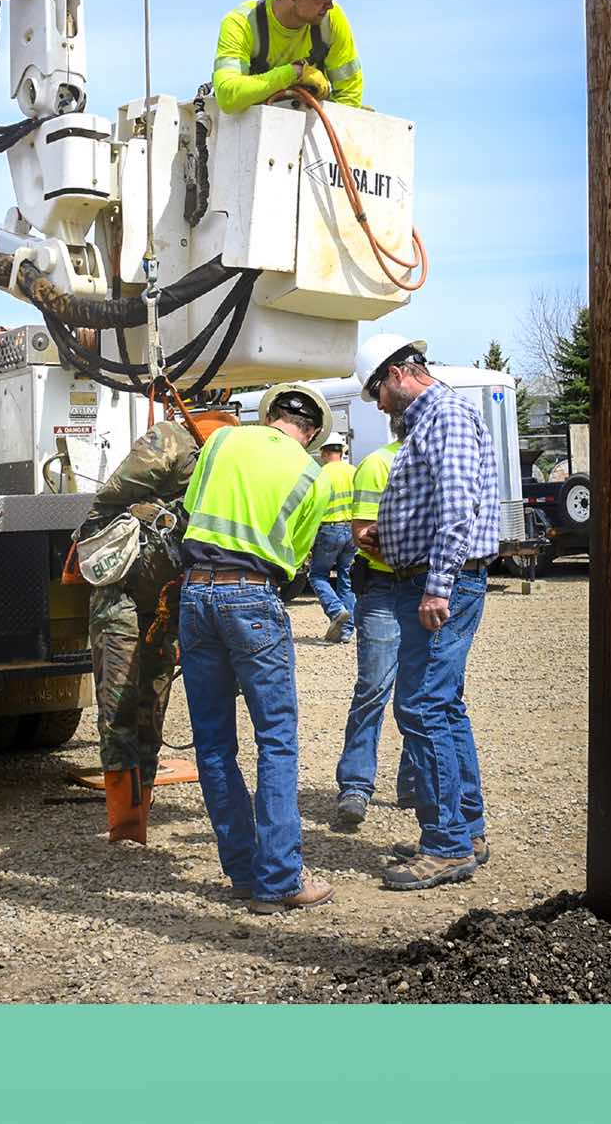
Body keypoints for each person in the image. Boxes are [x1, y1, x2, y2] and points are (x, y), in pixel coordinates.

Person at [176, 382, 336, 914]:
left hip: (195, 592)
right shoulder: (312, 476)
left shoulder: (222, 442)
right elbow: (295, 557)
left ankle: (244, 872)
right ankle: (280, 880)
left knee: (215, 744)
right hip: (252, 597)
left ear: (268, 414)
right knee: (276, 741)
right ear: (311, 434)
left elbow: (190, 506)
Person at [354, 333, 497, 890]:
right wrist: (389, 540)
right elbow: (436, 506)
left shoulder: (447, 419)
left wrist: (437, 586)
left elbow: (458, 506)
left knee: (422, 707)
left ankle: (446, 844)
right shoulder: (432, 423)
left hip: (443, 586)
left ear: (396, 375)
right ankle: (466, 827)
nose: (381, 406)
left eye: (378, 395)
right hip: (432, 578)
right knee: (442, 705)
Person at [74, 418, 205, 845]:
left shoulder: (229, 456)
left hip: (167, 602)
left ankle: (137, 818)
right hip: (122, 594)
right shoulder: (172, 440)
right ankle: (125, 827)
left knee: (151, 712)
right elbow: (110, 497)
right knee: (118, 710)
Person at [331, 407, 419, 830]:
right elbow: (363, 536)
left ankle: (414, 783)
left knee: (422, 692)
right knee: (374, 688)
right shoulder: (377, 465)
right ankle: (355, 786)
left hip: (425, 586)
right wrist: (422, 551)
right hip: (385, 589)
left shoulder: (437, 462)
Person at [211, 0, 364, 114]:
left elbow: (349, 96)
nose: (329, 5)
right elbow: (227, 95)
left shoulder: (331, 20)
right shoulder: (242, 23)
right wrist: (294, 73)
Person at [309, 434, 358, 644]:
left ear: (324, 451)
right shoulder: (354, 471)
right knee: (345, 579)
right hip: (352, 530)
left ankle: (336, 610)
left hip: (329, 530)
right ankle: (346, 631)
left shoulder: (320, 474)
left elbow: (313, 508)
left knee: (317, 575)